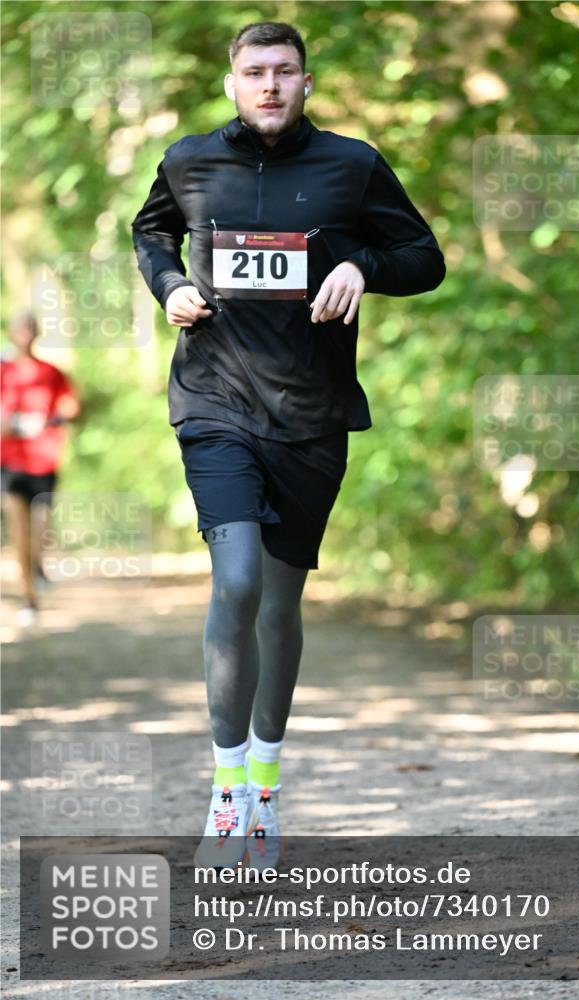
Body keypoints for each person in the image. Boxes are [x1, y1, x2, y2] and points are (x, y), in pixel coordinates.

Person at [131, 20, 445, 868]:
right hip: (213, 402)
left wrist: (363, 268)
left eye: (284, 71)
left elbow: (424, 256)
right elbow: (149, 232)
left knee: (277, 601)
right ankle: (226, 792)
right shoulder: (191, 160)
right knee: (233, 582)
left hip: (312, 414)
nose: (268, 84)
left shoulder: (352, 166)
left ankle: (265, 786)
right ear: (232, 83)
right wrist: (167, 288)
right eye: (253, 72)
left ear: (306, 81)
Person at [1, 310, 79, 628]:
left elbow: (71, 406)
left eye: (29, 329)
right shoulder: (3, 371)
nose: (24, 334)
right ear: (11, 333)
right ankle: (29, 597)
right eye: (19, 329)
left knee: (40, 527)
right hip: (9, 462)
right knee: (17, 529)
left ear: (35, 334)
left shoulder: (51, 372)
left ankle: (36, 565)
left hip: (43, 460)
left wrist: (50, 421)